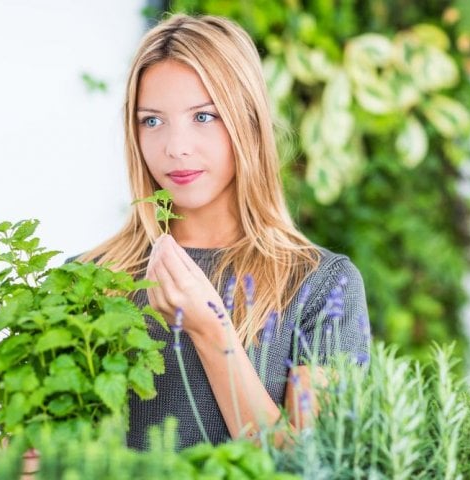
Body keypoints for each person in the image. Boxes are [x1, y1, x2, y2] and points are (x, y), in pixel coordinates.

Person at [72, 13, 371, 450]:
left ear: (248, 122)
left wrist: (211, 331)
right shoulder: (87, 279)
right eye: (152, 121)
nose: (176, 147)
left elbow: (316, 465)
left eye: (204, 117)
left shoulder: (322, 286)